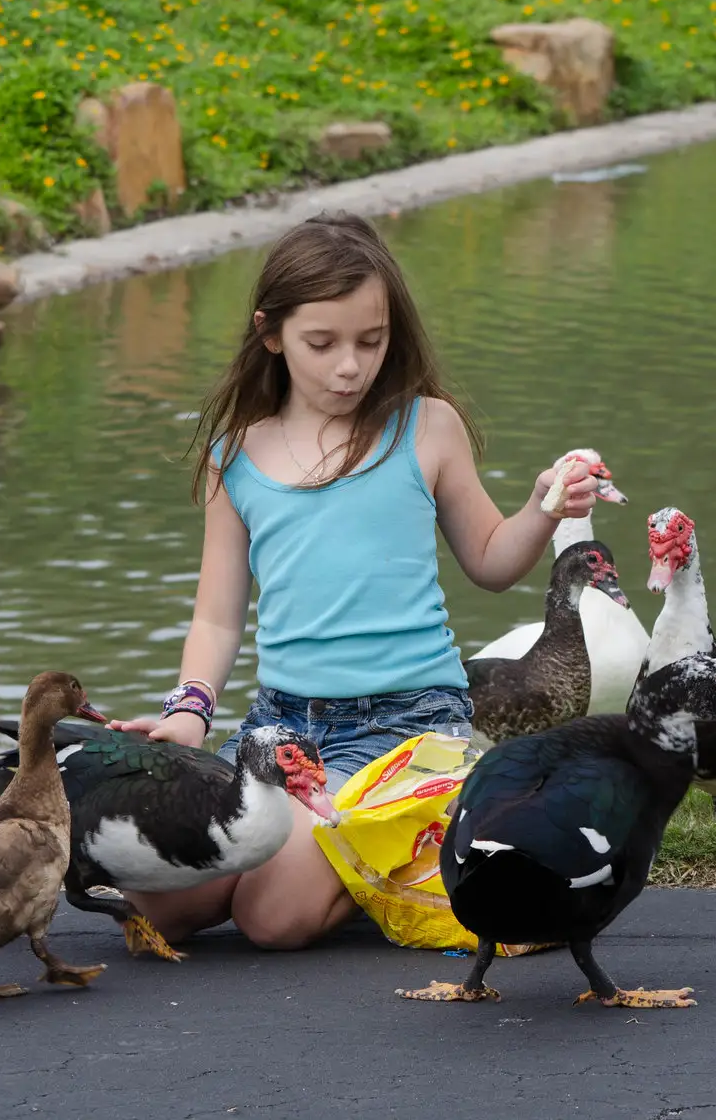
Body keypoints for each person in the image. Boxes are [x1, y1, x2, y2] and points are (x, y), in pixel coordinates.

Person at [108, 213, 602, 950]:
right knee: (164, 903)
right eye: (322, 343)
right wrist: (188, 712)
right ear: (270, 333)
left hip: (406, 725)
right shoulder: (234, 456)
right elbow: (216, 618)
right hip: (280, 728)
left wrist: (540, 508)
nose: (350, 366)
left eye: (371, 342)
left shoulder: (425, 427)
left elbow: (493, 564)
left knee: (271, 920)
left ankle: (418, 830)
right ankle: (353, 842)